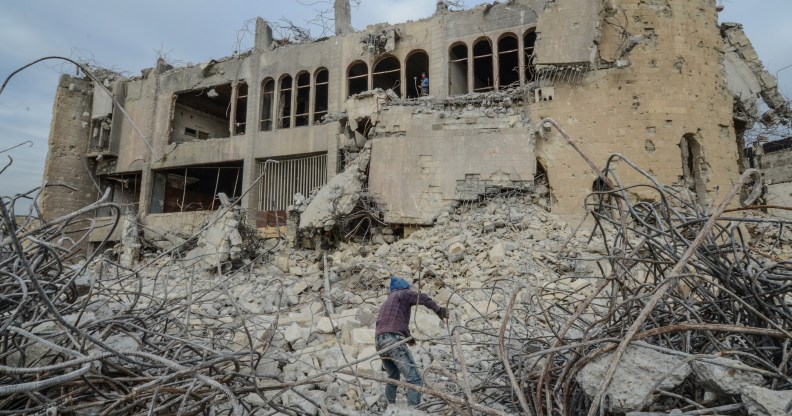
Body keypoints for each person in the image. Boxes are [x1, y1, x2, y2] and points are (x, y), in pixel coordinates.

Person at [375, 276, 448, 407]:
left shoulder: (387, 302)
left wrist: (409, 337)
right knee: (414, 379)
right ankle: (413, 411)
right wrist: (439, 310)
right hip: (392, 339)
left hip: (379, 341)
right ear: (404, 287)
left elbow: (394, 322)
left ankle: (389, 407)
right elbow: (423, 298)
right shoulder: (403, 293)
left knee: (393, 376)